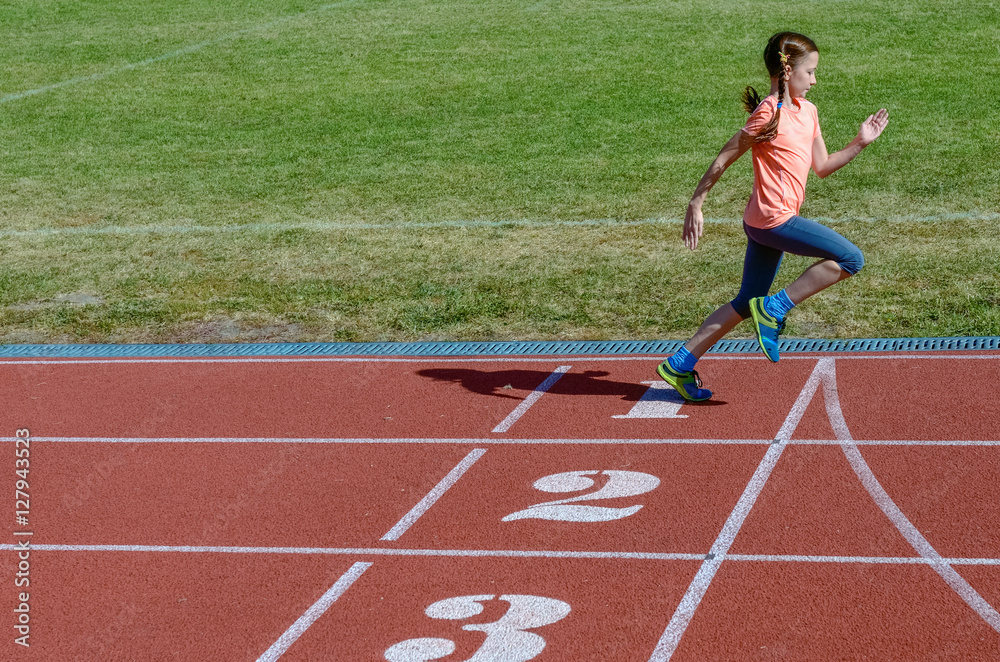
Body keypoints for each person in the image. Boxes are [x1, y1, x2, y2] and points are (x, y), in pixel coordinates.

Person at [657, 31, 889, 401]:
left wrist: (860, 142)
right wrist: (695, 203)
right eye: (809, 72)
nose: (814, 80)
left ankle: (680, 363)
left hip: (764, 222)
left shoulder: (808, 111)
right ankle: (775, 308)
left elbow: (823, 166)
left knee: (746, 299)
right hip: (772, 220)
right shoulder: (769, 112)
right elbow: (724, 157)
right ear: (788, 72)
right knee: (850, 258)